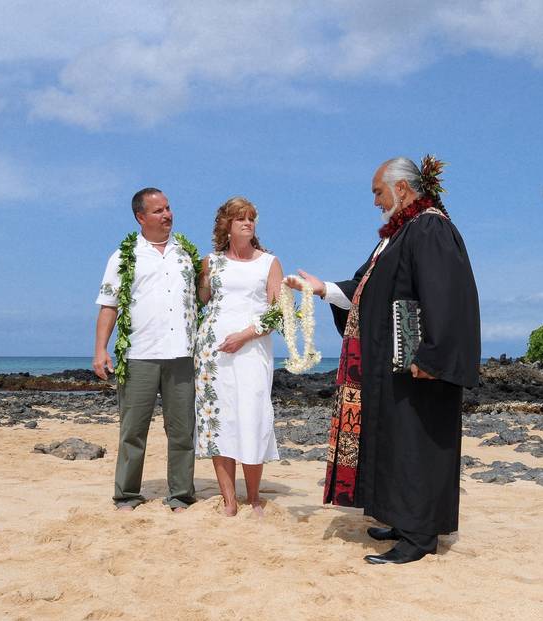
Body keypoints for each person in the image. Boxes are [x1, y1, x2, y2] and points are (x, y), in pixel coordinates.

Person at [288, 156, 480, 564]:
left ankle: (419, 536)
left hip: (418, 367)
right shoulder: (399, 235)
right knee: (395, 443)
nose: (376, 201)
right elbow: (364, 288)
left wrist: (432, 355)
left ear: (403, 189)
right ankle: (401, 519)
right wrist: (322, 290)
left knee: (416, 444)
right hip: (393, 367)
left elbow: (444, 295)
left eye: (378, 192)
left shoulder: (429, 227)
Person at [93, 187, 199, 512]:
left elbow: (206, 297)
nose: (167, 215)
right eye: (158, 211)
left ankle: (181, 495)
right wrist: (101, 350)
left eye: (168, 208)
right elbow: (109, 305)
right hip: (139, 354)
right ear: (141, 217)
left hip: (181, 355)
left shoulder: (186, 255)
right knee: (133, 431)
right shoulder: (124, 256)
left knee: (182, 431)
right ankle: (126, 495)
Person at [194, 196, 284, 516]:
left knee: (252, 416)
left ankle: (254, 497)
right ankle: (229, 500)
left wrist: (245, 335)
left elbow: (279, 312)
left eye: (251, 218)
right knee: (221, 421)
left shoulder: (268, 263)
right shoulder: (211, 262)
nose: (248, 223)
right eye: (240, 218)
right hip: (213, 353)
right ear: (227, 226)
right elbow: (200, 302)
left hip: (252, 349)